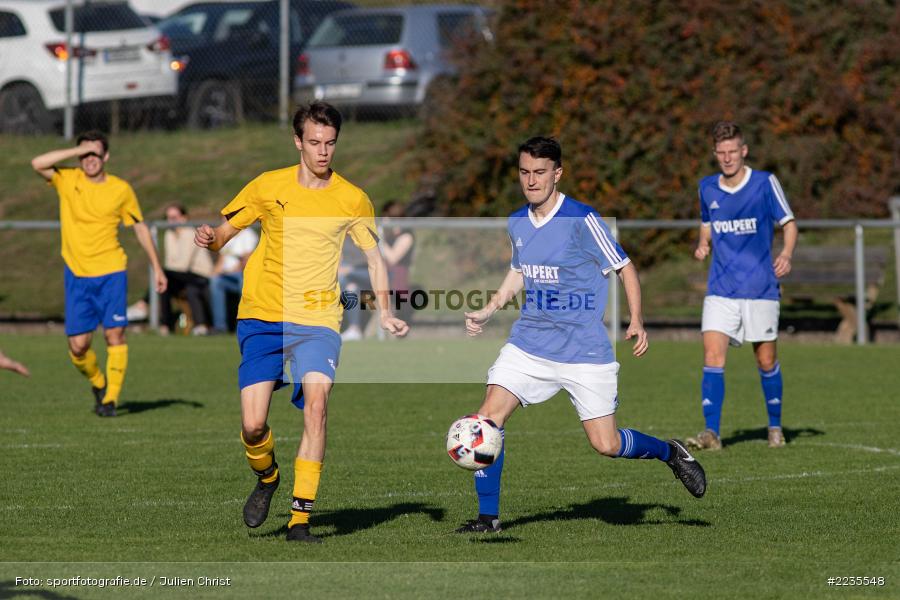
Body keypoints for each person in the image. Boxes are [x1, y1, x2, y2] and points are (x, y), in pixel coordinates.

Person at [458, 137, 706, 534]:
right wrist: (489, 309)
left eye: (540, 172)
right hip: (529, 344)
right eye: (525, 172)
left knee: (606, 444)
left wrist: (637, 319)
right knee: (487, 419)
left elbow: (624, 267)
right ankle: (488, 518)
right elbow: (519, 270)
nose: (531, 180)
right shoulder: (517, 221)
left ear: (557, 173)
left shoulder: (582, 219)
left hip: (583, 351)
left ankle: (669, 452)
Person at [193, 102, 409, 543]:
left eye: (330, 143)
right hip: (263, 315)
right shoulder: (267, 185)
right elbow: (223, 235)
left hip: (318, 319)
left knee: (317, 406)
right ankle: (268, 477)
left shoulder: (352, 198)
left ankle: (300, 519)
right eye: (314, 142)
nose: (323, 151)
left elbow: (375, 259)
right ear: (298, 141)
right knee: (253, 426)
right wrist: (209, 238)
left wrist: (386, 311)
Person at [31, 130, 167, 417]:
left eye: (95, 153)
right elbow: (37, 163)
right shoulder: (67, 179)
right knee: (78, 347)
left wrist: (157, 267)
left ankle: (110, 400)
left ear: (106, 157)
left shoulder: (121, 189)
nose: (89, 159)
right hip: (77, 275)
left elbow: (140, 228)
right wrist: (77, 150)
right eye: (85, 154)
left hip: (111, 272)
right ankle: (98, 381)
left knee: (115, 334)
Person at [687, 121, 798, 451]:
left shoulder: (764, 183)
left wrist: (786, 254)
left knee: (765, 361)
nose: (727, 158)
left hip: (760, 289)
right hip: (720, 288)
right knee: (712, 355)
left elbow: (789, 223)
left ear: (744, 151)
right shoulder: (707, 187)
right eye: (721, 152)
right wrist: (703, 243)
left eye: (732, 151)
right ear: (715, 153)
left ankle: (775, 426)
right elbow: (706, 224)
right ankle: (711, 433)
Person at [159, 204, 214, 336]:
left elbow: (183, 264)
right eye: (168, 218)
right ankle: (166, 325)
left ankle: (145, 306)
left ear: (184, 218)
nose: (171, 221)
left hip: (200, 274)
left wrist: (166, 272)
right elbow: (170, 262)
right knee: (163, 281)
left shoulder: (190, 233)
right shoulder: (169, 234)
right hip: (182, 275)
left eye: (174, 217)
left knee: (163, 276)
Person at [209, 217, 259, 333]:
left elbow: (246, 261)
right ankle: (220, 327)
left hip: (242, 274)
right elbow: (221, 261)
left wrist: (231, 271)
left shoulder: (248, 235)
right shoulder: (226, 236)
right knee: (215, 281)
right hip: (227, 276)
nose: (224, 223)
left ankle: (244, 325)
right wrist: (212, 274)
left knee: (243, 281)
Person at [380, 200, 416, 325]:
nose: (383, 220)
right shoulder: (388, 235)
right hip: (383, 275)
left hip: (397, 280)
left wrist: (379, 239)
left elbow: (393, 258)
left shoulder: (407, 236)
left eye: (386, 217)